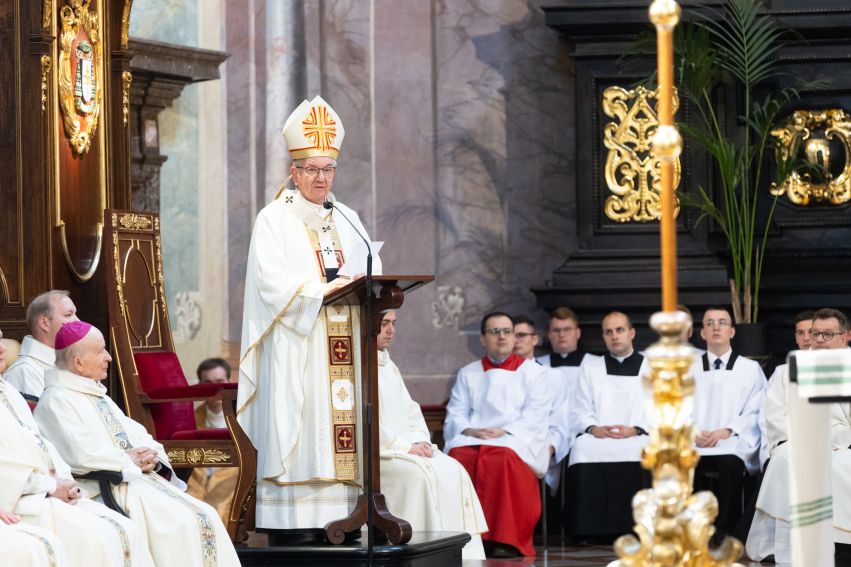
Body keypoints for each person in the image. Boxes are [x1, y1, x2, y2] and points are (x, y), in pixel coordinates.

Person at [237, 95, 383, 533]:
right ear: (294, 171)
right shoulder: (273, 220)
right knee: (305, 426)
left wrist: (359, 284)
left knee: (340, 426)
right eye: (312, 170)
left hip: (343, 343)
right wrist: (319, 292)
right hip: (298, 344)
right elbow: (270, 284)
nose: (321, 178)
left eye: (328, 169)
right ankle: (296, 521)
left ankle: (345, 513)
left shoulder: (347, 217)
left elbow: (363, 269)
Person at [34, 321, 240, 567]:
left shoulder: (97, 394)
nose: (108, 357)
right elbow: (80, 453)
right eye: (100, 351)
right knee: (182, 523)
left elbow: (136, 433)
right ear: (78, 363)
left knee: (207, 515)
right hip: (108, 486)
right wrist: (128, 460)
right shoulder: (56, 401)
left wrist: (150, 455)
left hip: (138, 479)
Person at [0, 328, 154, 567]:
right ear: (78, 362)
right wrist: (52, 485)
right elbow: (8, 468)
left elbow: (42, 445)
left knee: (126, 531)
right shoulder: (55, 398)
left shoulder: (8, 392)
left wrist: (63, 480)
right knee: (98, 538)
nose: (3, 349)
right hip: (24, 499)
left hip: (53, 493)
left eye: (1, 340)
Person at [377, 310, 487, 559]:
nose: (391, 330)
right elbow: (364, 420)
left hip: (406, 448)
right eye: (384, 323)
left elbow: (411, 410)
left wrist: (421, 440)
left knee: (453, 468)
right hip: (381, 452)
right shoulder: (357, 364)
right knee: (419, 476)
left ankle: (462, 558)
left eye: (394, 323)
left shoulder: (388, 364)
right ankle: (423, 557)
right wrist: (405, 447)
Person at [746, 308, 851, 562]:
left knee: (837, 465)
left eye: (828, 334)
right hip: (801, 442)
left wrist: (836, 440)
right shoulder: (789, 371)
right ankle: (791, 550)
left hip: (845, 447)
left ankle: (841, 545)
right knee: (785, 460)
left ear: (846, 336)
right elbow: (777, 416)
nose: (819, 340)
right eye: (816, 334)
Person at [444, 311, 550, 557]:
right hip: (474, 435)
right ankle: (465, 539)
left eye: (507, 331)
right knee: (460, 456)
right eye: (494, 331)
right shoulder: (468, 372)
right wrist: (470, 429)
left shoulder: (534, 373)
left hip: (514, 438)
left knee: (501, 459)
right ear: (483, 339)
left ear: (514, 337)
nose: (501, 337)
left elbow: (536, 415)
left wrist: (505, 430)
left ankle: (506, 539)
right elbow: (456, 411)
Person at [567, 311, 650, 540]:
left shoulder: (651, 368)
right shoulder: (591, 368)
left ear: (632, 333)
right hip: (600, 435)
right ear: (603, 337)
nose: (615, 336)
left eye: (620, 330)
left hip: (638, 435)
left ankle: (641, 530)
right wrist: (594, 428)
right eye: (608, 332)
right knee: (582, 449)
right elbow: (580, 408)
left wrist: (636, 429)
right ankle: (588, 530)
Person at [691, 306, 766, 541]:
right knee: (683, 461)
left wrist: (728, 430)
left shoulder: (750, 369)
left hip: (732, 441)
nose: (716, 327)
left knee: (729, 461)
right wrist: (692, 431)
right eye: (710, 323)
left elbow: (757, 410)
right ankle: (696, 526)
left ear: (732, 332)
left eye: (722, 322)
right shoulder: (687, 371)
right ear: (702, 333)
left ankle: (726, 526)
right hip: (695, 440)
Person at [514, 314, 573, 491]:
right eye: (512, 335)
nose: (516, 340)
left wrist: (550, 448)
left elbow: (561, 420)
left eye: (521, 335)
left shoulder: (553, 377)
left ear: (535, 339)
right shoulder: (498, 376)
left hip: (541, 448)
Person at [186, 358, 238, 525]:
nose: (214, 387)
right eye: (207, 382)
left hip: (231, 479)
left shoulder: (243, 418)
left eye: (220, 381)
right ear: (200, 385)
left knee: (219, 510)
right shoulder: (190, 419)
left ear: (229, 382)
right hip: (197, 481)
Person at [4, 290, 78, 398]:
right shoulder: (24, 372)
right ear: (44, 323)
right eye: (68, 315)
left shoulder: (69, 362)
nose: (78, 321)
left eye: (75, 314)